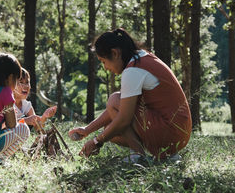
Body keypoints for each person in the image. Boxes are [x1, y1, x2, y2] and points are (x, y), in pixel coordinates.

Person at [69, 28, 192, 162]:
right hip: (179, 133)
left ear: (115, 53)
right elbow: (119, 108)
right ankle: (167, 153)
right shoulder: (142, 58)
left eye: (103, 61)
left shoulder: (133, 70)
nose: (105, 67)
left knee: (114, 101)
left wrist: (96, 142)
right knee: (111, 129)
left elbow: (123, 118)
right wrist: (87, 130)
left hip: (171, 132)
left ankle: (138, 156)